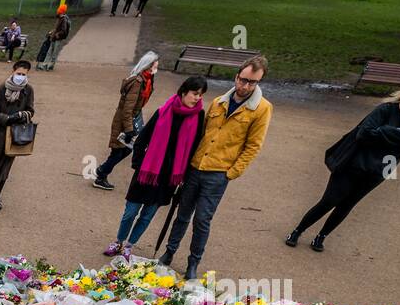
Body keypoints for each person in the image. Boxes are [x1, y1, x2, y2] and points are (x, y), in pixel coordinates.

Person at [158, 55, 272, 281]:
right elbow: (201, 134)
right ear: (236, 76)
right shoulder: (219, 101)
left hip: (218, 173)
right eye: (243, 80)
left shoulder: (262, 109)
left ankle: (193, 261)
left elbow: (253, 146)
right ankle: (169, 252)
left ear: (258, 82)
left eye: (252, 82)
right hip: (195, 167)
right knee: (182, 215)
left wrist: (232, 173)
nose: (245, 86)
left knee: (202, 219)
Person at [287, 80, 400, 252]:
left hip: (384, 167)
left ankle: (321, 236)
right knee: (329, 201)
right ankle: (297, 231)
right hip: (355, 161)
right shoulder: (384, 109)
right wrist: (398, 135)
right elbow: (364, 134)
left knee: (347, 204)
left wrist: (383, 130)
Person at [103, 75, 207, 258]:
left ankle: (129, 245)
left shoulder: (198, 117)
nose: (198, 98)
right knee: (130, 212)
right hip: (148, 171)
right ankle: (118, 241)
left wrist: (183, 175)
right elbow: (141, 139)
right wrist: (139, 164)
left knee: (147, 216)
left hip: (168, 178)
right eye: (195, 93)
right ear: (184, 92)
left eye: (201, 94)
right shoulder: (163, 111)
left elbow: (195, 147)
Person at [93, 51, 158, 190]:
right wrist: (129, 129)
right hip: (124, 121)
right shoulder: (137, 82)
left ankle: (102, 172)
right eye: (155, 64)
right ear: (148, 65)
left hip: (129, 120)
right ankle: (101, 174)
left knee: (125, 150)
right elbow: (127, 109)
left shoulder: (146, 80)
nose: (156, 67)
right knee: (119, 150)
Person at [0, 59, 35, 210]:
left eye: (23, 74)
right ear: (13, 71)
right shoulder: (2, 88)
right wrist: (7, 118)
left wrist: (21, 115)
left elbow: (31, 111)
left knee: (5, 167)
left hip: (15, 134)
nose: (21, 76)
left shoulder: (28, 90)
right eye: (18, 73)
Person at [37, 7, 70, 71]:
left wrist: (58, 34)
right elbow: (56, 28)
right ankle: (44, 65)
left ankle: (51, 65)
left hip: (58, 38)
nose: (57, 12)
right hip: (53, 38)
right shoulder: (59, 19)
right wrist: (51, 32)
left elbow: (64, 30)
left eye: (59, 11)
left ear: (62, 12)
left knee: (54, 52)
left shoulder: (64, 20)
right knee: (49, 52)